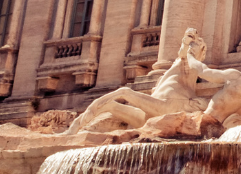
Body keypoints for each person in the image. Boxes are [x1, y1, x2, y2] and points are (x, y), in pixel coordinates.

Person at [64, 28, 208, 133]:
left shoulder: (194, 64)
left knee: (125, 92)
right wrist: (186, 41)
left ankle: (81, 121)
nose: (191, 49)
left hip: (169, 107)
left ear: (202, 51)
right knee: (111, 106)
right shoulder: (181, 61)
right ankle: (73, 129)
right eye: (190, 47)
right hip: (152, 113)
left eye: (195, 47)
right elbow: (182, 52)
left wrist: (187, 41)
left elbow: (185, 55)